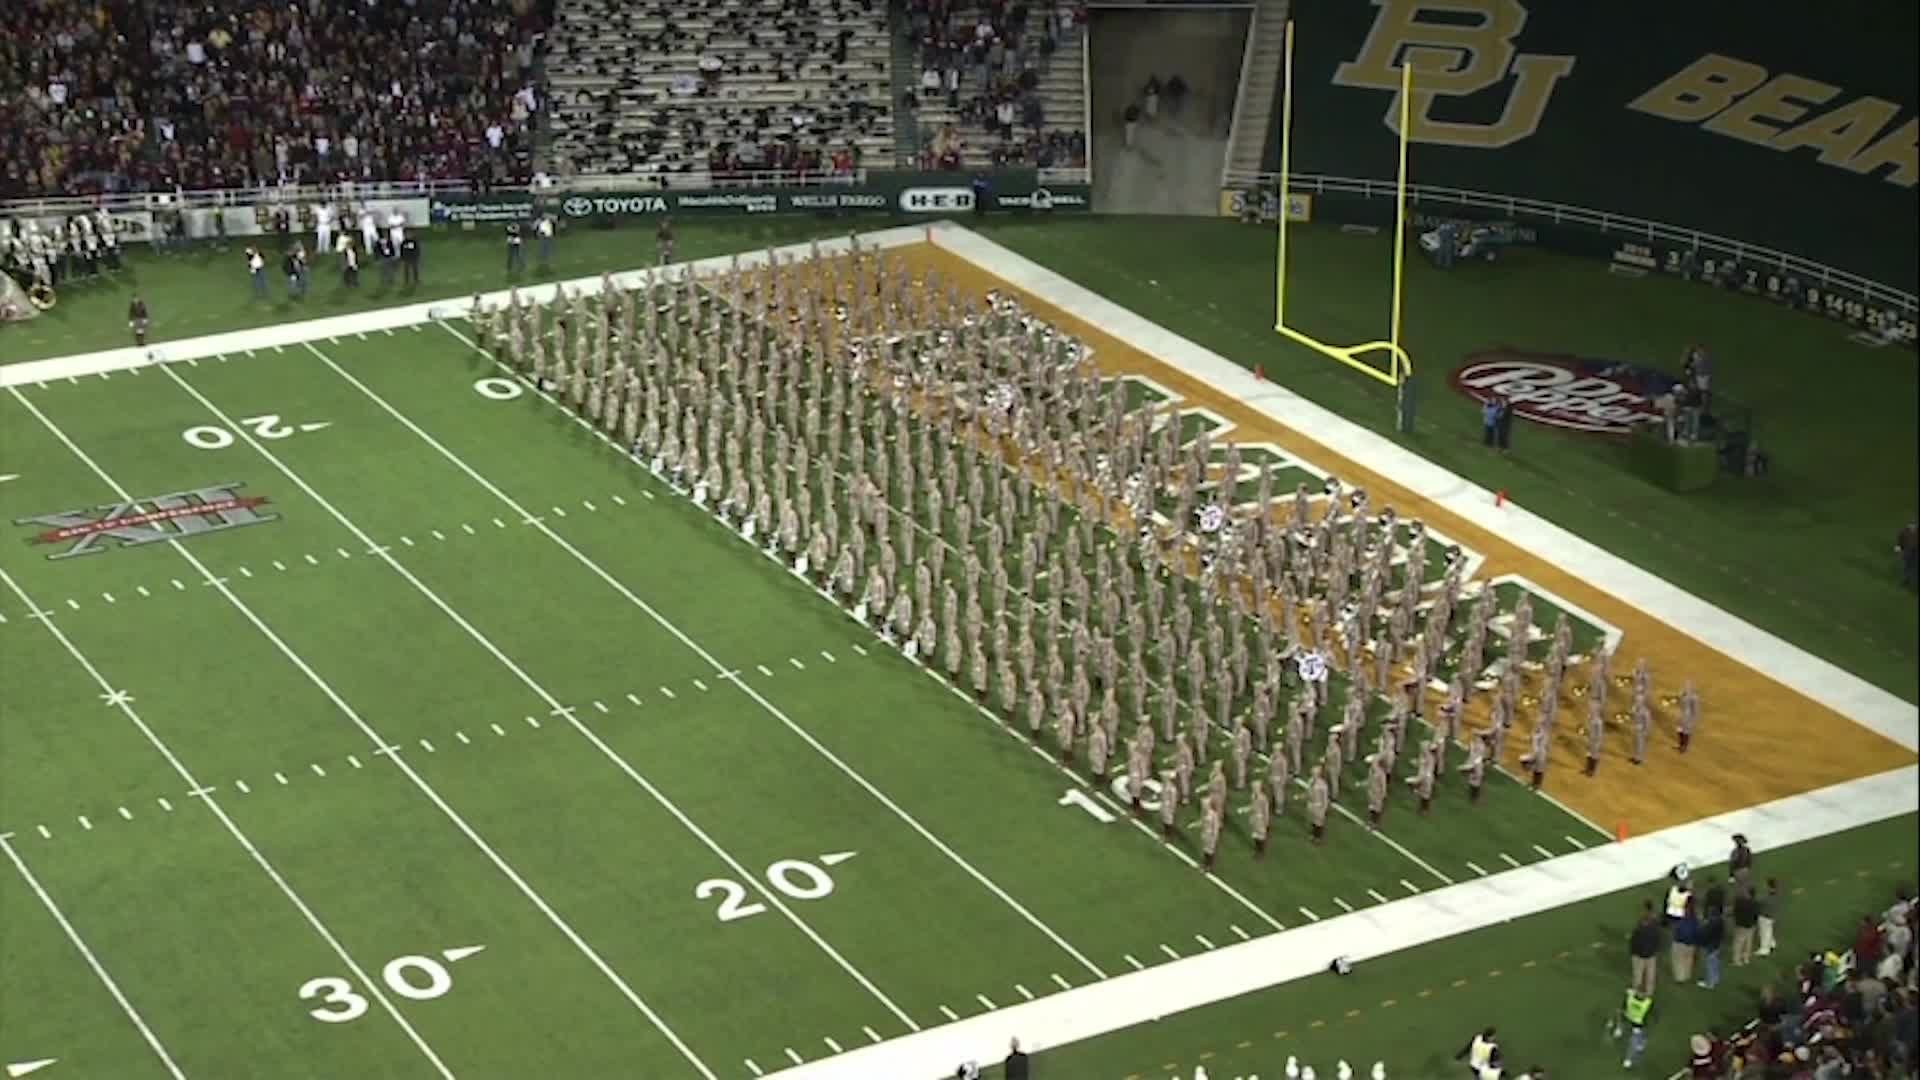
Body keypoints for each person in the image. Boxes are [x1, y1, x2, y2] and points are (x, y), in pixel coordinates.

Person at [1612, 986, 1655, 1068]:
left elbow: (1651, 1015)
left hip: (1639, 1023)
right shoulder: (1630, 997)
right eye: (1639, 992)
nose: (1641, 995)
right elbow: (1623, 1006)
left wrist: (1647, 1023)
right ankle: (1619, 1029)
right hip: (1628, 1017)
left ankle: (1629, 1058)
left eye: (1643, 994)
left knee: (1634, 1041)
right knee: (1620, 1016)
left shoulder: (1648, 1002)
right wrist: (1621, 1011)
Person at [1629, 901, 1662, 995]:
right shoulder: (1654, 927)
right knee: (1649, 975)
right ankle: (1648, 992)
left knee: (1638, 975)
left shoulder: (1640, 929)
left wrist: (1633, 952)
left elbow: (1634, 941)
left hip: (1640, 955)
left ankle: (1637, 991)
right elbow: (1658, 940)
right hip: (1650, 954)